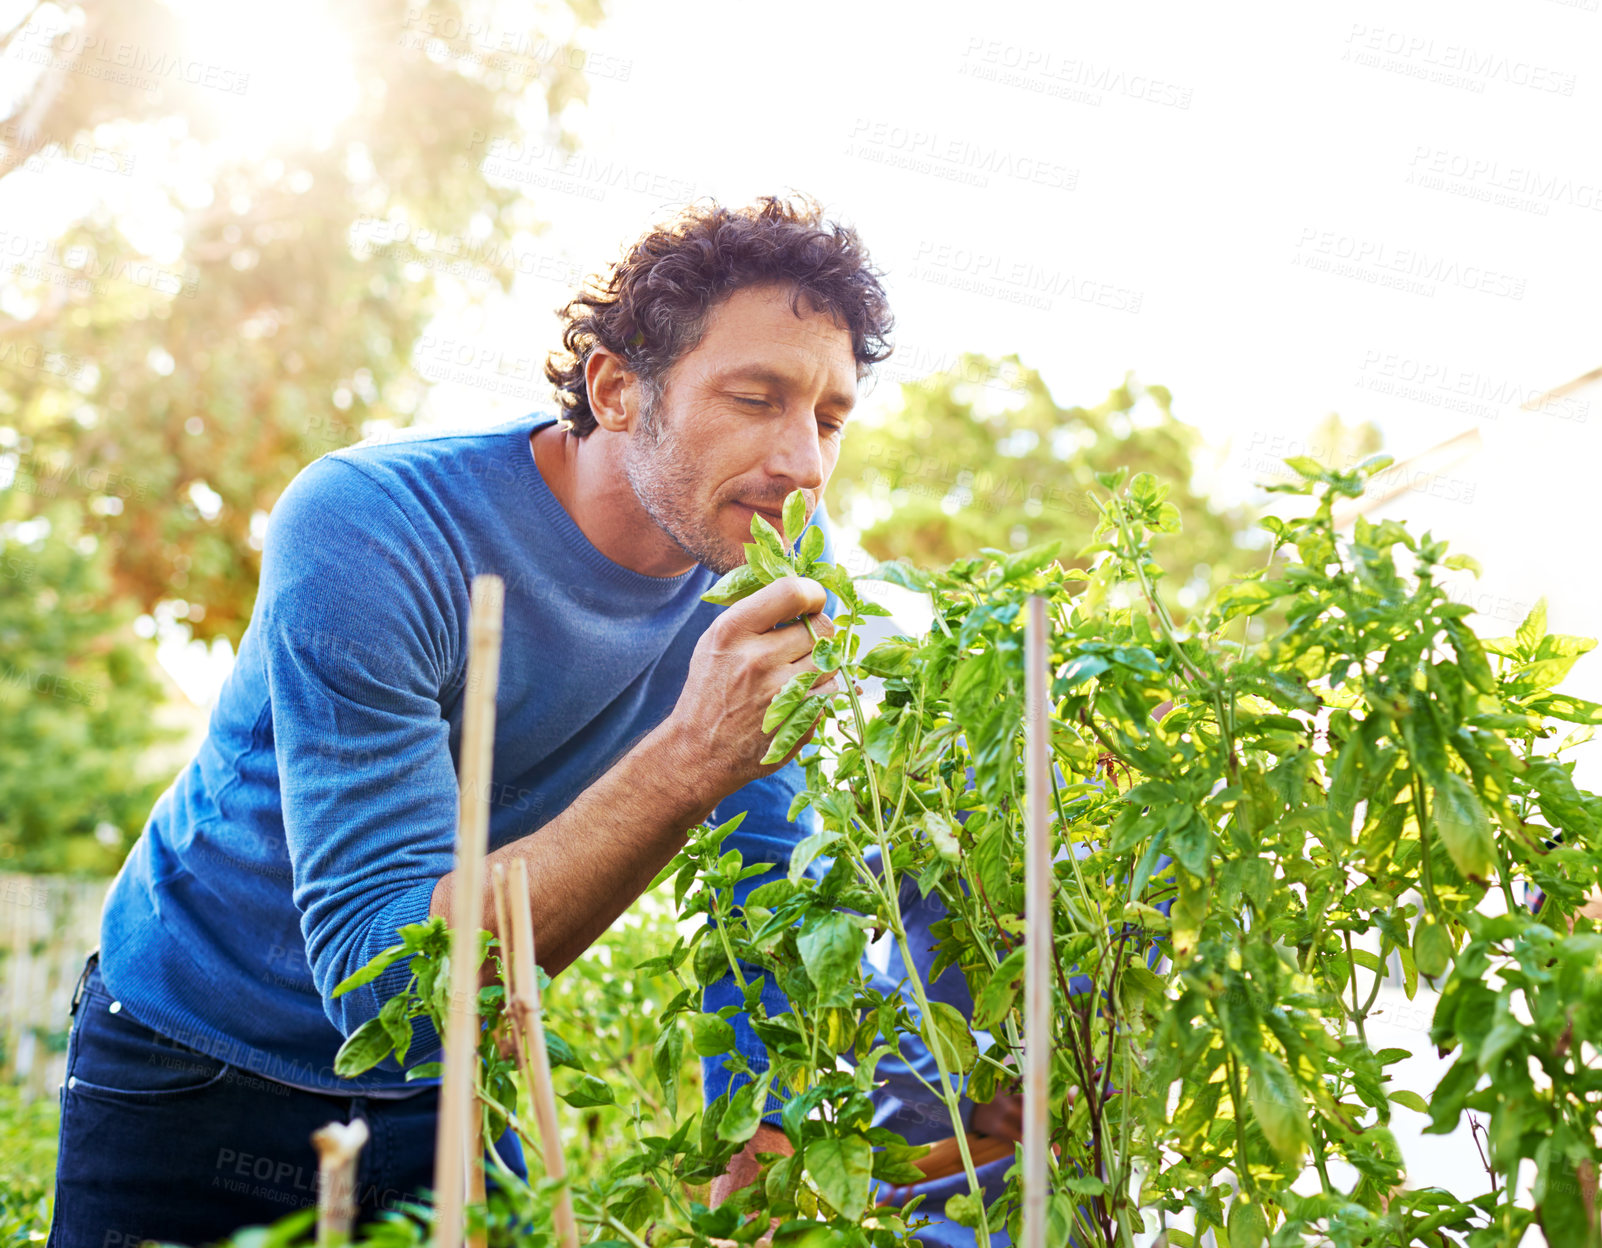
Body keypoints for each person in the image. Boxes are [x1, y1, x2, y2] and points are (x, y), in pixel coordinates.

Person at [47, 192, 894, 1247]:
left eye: (827, 419)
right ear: (618, 387)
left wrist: (761, 1169)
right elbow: (389, 988)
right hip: (198, 1063)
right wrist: (687, 761)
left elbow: (771, 909)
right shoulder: (375, 527)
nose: (803, 465)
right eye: (755, 398)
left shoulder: (767, 571)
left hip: (462, 1081)